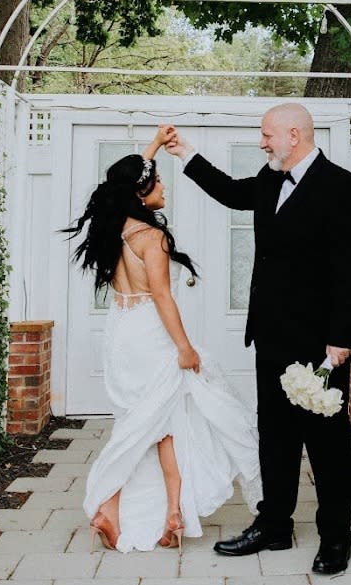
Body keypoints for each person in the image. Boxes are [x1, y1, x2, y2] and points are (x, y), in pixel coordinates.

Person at [164, 103, 351, 574]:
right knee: (274, 437)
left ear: (293, 134)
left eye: (266, 134)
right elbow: (233, 193)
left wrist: (340, 338)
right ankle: (274, 524)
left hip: (321, 344)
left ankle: (336, 536)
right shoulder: (271, 178)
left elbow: (349, 267)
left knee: (327, 443)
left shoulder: (341, 186)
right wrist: (186, 153)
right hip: (271, 335)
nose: (262, 142)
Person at [66, 126, 261, 553]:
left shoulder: (115, 224)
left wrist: (155, 145)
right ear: (141, 193)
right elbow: (162, 298)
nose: (163, 185)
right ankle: (133, 507)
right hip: (151, 335)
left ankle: (163, 512)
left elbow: (126, 175)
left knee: (148, 423)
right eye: (157, 181)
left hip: (120, 333)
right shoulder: (150, 237)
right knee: (159, 424)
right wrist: (185, 347)